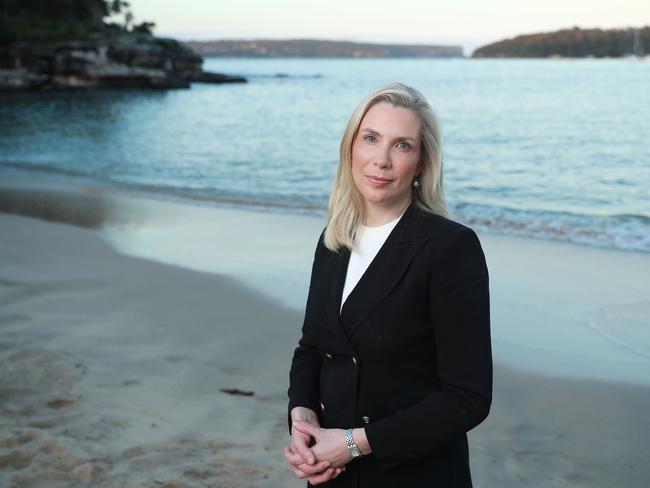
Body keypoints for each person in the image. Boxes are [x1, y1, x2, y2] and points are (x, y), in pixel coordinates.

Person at [284, 82, 492, 487]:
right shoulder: (334, 239)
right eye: (371, 138)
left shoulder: (450, 248)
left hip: (415, 476)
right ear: (351, 147)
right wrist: (302, 414)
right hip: (332, 474)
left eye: (402, 145)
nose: (381, 160)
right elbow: (312, 348)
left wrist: (354, 443)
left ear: (421, 163)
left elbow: (468, 398)